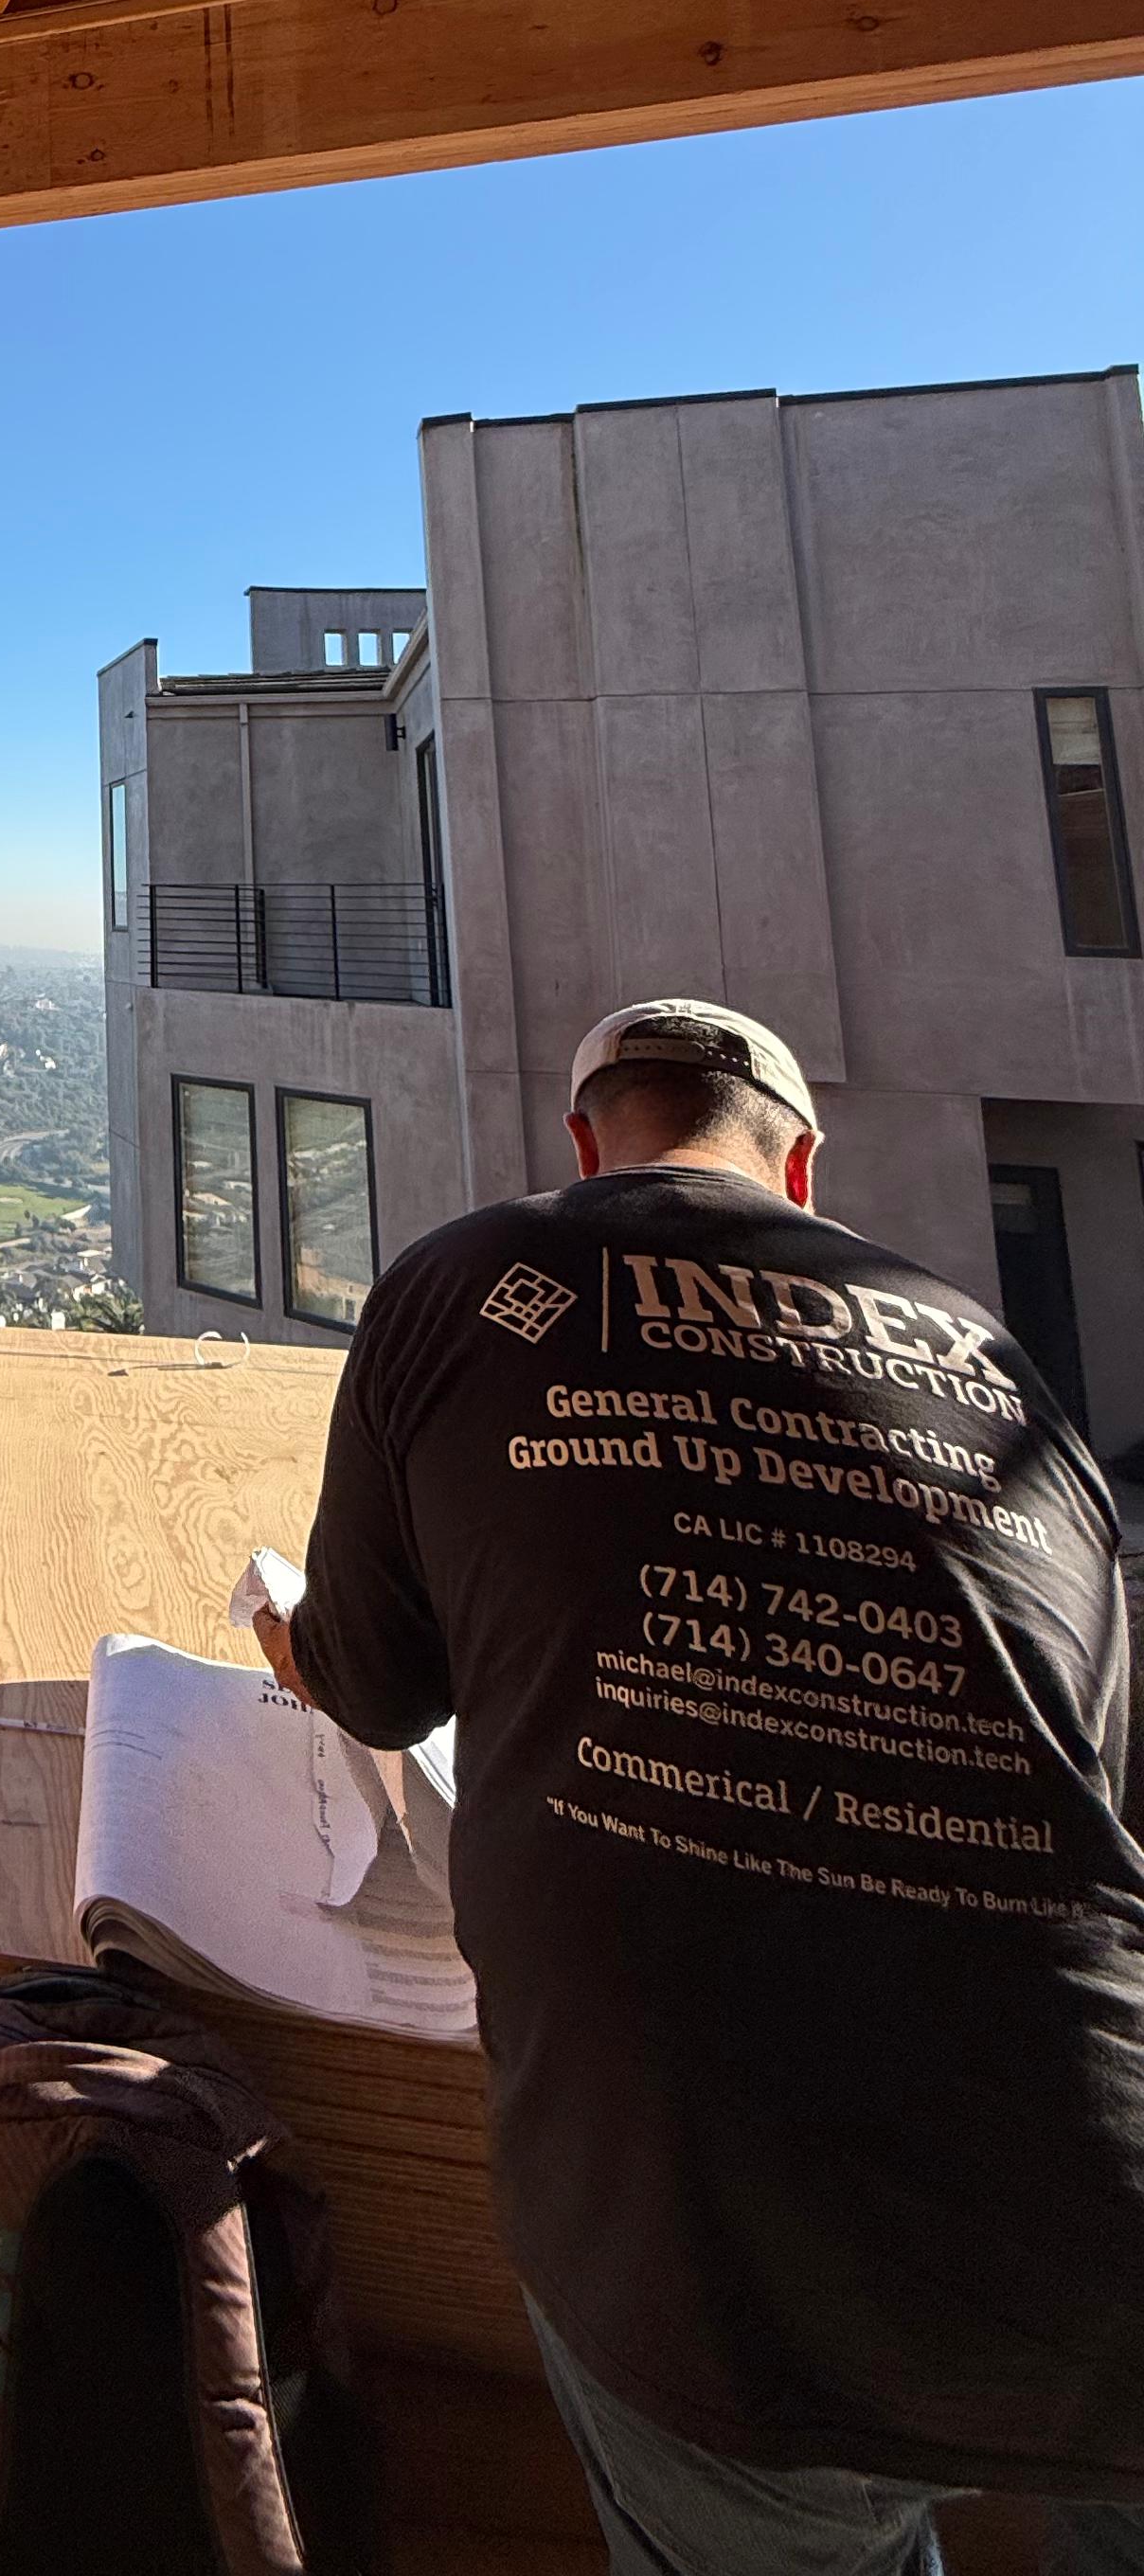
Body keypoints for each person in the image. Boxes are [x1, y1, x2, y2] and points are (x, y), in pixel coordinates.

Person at [256, 996, 1144, 2576]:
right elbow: (1087, 1779)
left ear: (590, 1142)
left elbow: (380, 1685)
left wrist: (288, 1638)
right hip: (1101, 2155)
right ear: (800, 1169)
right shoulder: (995, 1364)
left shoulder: (462, 1283)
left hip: (710, 2227)